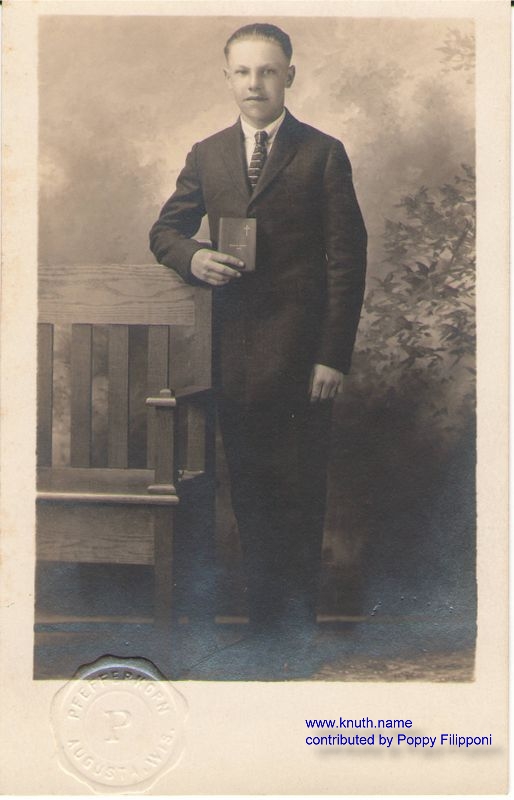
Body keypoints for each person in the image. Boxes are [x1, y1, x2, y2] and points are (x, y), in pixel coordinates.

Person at [149, 23, 367, 647]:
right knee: (248, 489)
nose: (255, 84)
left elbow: (348, 260)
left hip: (302, 361)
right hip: (234, 358)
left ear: (289, 76)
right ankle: (262, 629)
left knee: (299, 489)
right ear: (227, 78)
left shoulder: (323, 153)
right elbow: (164, 230)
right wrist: (192, 258)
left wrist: (332, 357)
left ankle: (295, 628)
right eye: (243, 72)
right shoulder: (208, 153)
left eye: (268, 71)